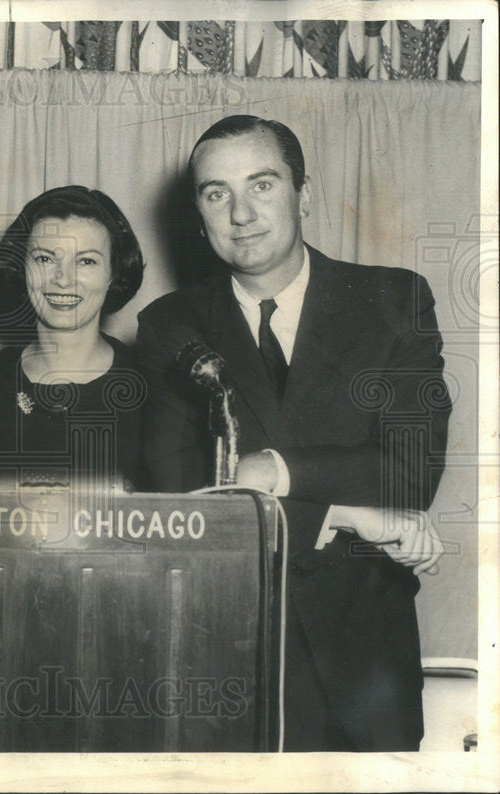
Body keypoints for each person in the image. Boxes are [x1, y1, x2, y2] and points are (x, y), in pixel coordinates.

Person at [137, 115, 448, 751]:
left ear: (305, 194)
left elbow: (410, 468)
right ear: (198, 215)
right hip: (224, 663)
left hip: (364, 673)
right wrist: (346, 514)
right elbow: (182, 500)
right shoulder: (169, 323)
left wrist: (269, 471)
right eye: (216, 193)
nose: (241, 213)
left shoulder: (392, 300)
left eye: (263, 185)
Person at [0, 185, 146, 491]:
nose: (63, 279)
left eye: (86, 261)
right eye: (44, 259)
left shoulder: (152, 387)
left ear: (113, 273)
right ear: (21, 267)